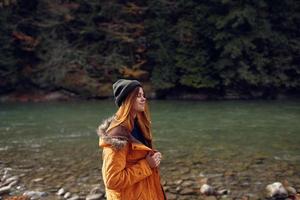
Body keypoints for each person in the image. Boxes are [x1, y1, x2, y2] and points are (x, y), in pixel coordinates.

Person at [97, 79, 166, 200]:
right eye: (138, 96)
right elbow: (112, 180)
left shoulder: (139, 125)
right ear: (128, 99)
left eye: (143, 95)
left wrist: (153, 158)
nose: (143, 99)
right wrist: (147, 165)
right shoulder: (117, 136)